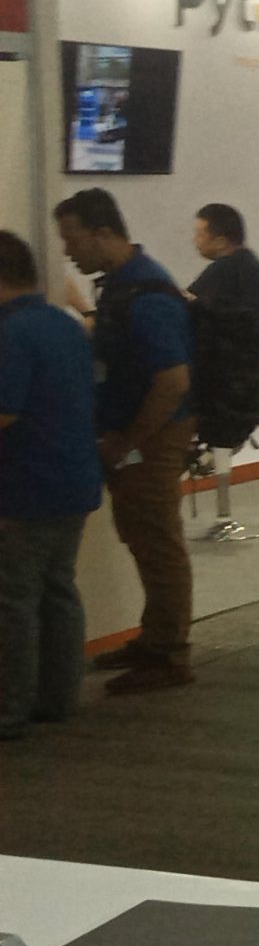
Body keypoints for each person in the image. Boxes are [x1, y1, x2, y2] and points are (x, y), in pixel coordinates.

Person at [56, 188, 197, 693]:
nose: (68, 252)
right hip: (137, 434)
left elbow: (173, 381)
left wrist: (128, 440)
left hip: (153, 436)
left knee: (158, 543)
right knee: (142, 537)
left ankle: (170, 655)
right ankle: (155, 639)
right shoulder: (119, 287)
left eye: (72, 240)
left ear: (102, 234)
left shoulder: (145, 294)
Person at [0, 231, 104, 740]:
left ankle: (8, 710)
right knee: (58, 591)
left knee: (12, 602)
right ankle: (58, 697)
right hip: (72, 480)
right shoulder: (65, 325)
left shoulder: (10, 335)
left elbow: (5, 411)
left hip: (24, 487)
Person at [185, 202, 259, 542]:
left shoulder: (224, 272)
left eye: (199, 234)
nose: (195, 241)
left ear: (221, 240)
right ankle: (223, 516)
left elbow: (191, 307)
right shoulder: (253, 271)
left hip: (225, 387)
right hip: (249, 382)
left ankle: (223, 517)